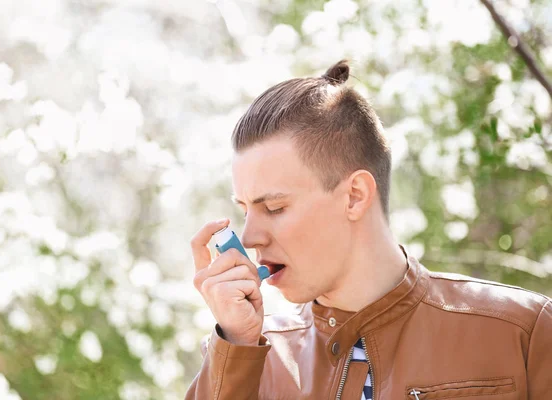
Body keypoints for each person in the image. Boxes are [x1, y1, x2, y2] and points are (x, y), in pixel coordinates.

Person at [185, 60, 552, 399]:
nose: (250, 237)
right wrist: (235, 346)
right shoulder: (245, 359)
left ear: (355, 196)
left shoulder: (522, 333)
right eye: (245, 210)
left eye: (275, 207)